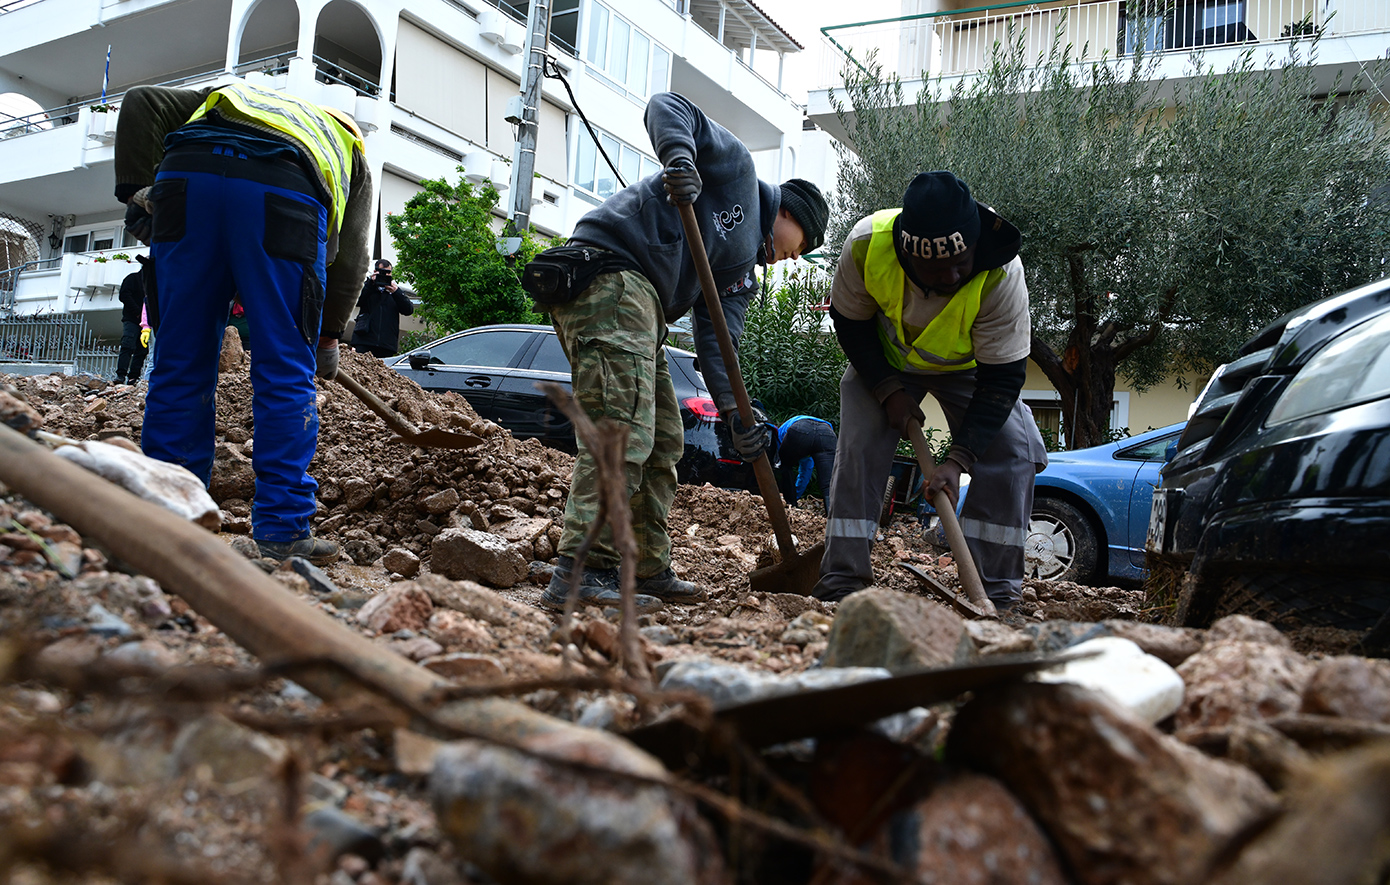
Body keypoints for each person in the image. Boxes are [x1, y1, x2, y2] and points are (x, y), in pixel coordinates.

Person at [533, 92, 829, 615]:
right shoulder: (736, 171)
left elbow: (721, 351)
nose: (791, 257)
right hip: (610, 273)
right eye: (797, 244)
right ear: (786, 210)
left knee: (666, 437)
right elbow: (669, 105)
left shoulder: (740, 277)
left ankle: (646, 565)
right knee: (623, 429)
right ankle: (581, 571)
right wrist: (681, 159)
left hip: (643, 308)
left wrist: (740, 417)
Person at [113, 80, 372, 566]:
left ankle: (167, 519)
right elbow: (354, 257)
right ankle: (282, 528)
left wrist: (135, 196)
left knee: (179, 361)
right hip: (284, 196)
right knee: (285, 374)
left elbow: (141, 100)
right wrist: (329, 334)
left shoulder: (233, 96)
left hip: (186, 182)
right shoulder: (347, 144)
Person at [812, 171, 1048, 610]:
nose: (953, 275)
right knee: (860, 446)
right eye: (936, 271)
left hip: (972, 369)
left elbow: (1003, 379)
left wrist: (957, 461)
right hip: (884, 360)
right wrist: (886, 389)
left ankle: (994, 589)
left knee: (1013, 452)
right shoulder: (867, 245)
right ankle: (843, 581)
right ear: (907, 256)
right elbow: (850, 323)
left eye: (961, 262)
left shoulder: (1000, 272)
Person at [351, 258, 415, 357]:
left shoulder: (394, 293)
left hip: (386, 344)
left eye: (388, 272)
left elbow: (408, 310)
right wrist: (371, 284)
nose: (385, 275)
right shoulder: (367, 288)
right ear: (375, 271)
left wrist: (396, 292)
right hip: (364, 340)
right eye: (382, 272)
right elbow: (356, 301)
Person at [773, 414, 837, 512]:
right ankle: (833, 517)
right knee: (828, 483)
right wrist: (797, 492)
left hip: (800, 429)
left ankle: (791, 505)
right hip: (827, 433)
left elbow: (779, 461)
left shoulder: (779, 433)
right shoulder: (807, 455)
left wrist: (794, 497)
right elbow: (806, 472)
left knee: (785, 466)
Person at [114, 256, 150, 384]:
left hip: (146, 322)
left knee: (142, 350)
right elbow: (124, 295)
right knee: (128, 345)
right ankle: (121, 375)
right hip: (132, 319)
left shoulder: (152, 284)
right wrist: (137, 311)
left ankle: (133, 377)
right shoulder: (133, 278)